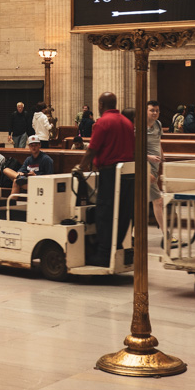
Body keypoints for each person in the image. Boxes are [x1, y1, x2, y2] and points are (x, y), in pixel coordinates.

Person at [78, 92, 134, 267]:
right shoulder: (127, 122)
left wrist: (79, 167)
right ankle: (115, 248)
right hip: (128, 174)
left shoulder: (103, 122)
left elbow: (92, 149)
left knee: (105, 213)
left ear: (101, 104)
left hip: (110, 174)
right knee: (123, 213)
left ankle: (103, 254)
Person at [145, 100, 168, 238]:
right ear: (146, 111)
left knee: (141, 201)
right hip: (145, 167)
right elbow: (134, 150)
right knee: (158, 201)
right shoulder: (139, 127)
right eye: (152, 110)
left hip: (155, 167)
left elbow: (158, 143)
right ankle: (167, 235)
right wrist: (147, 166)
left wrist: (162, 158)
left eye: (157, 111)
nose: (155, 113)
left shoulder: (158, 125)